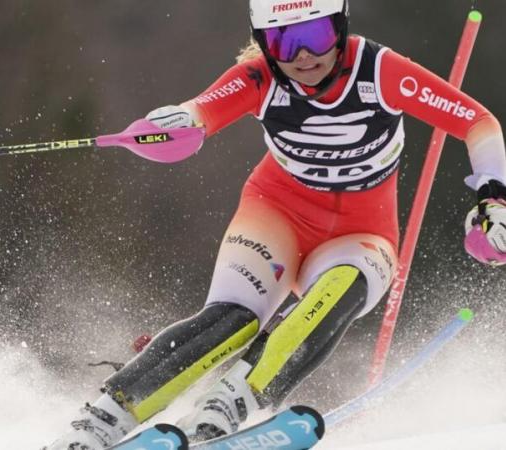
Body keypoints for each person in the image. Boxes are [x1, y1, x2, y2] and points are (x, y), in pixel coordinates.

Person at [44, 0, 506, 447]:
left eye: (316, 36)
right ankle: (100, 422)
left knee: (339, 292)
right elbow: (202, 110)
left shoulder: (380, 70)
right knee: (234, 318)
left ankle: (228, 405)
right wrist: (174, 124)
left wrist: (492, 200)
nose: (303, 56)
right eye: (284, 42)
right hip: (277, 214)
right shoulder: (259, 77)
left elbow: (477, 122)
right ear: (263, 42)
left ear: (340, 28)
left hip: (361, 232)